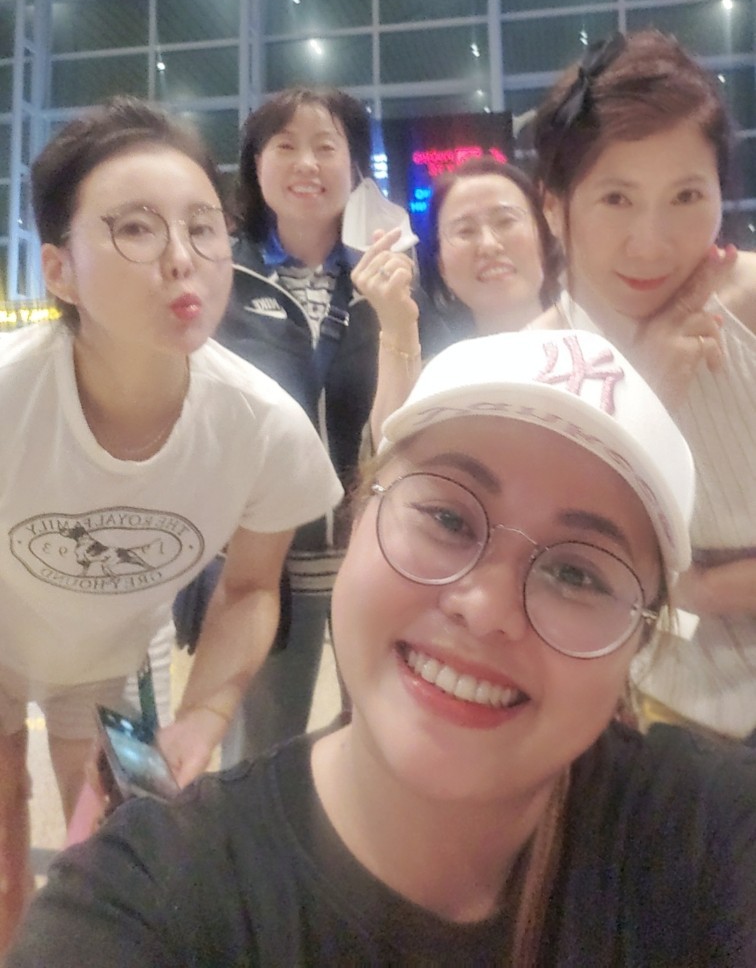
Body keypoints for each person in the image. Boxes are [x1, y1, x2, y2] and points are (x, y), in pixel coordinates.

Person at [9, 327, 756, 966]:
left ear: (639, 641)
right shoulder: (149, 900)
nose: (486, 609)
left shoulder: (705, 837)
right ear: (359, 516)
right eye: (448, 519)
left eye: (576, 574)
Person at [0, 97, 341, 953]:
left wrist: (205, 712)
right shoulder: (11, 397)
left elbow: (251, 588)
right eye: (136, 229)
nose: (182, 257)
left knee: (114, 862)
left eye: (203, 226)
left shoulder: (262, 426)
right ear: (60, 270)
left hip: (114, 660)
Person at [532, 28, 756, 741]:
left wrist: (707, 588)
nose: (653, 244)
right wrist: (637, 401)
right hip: (658, 717)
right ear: (554, 207)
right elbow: (544, 566)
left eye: (686, 195)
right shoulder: (533, 365)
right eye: (616, 198)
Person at [215, 87, 379, 762]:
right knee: (255, 756)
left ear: (356, 167)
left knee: (378, 748)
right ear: (256, 166)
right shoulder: (219, 275)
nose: (306, 163)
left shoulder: (389, 275)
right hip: (262, 564)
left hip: (373, 561)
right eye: (284, 145)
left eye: (326, 147)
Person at [353, 156, 560, 441]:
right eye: (465, 231)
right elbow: (388, 456)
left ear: (545, 238)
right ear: (442, 267)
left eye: (506, 221)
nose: (489, 245)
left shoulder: (601, 342)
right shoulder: (440, 378)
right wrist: (397, 327)